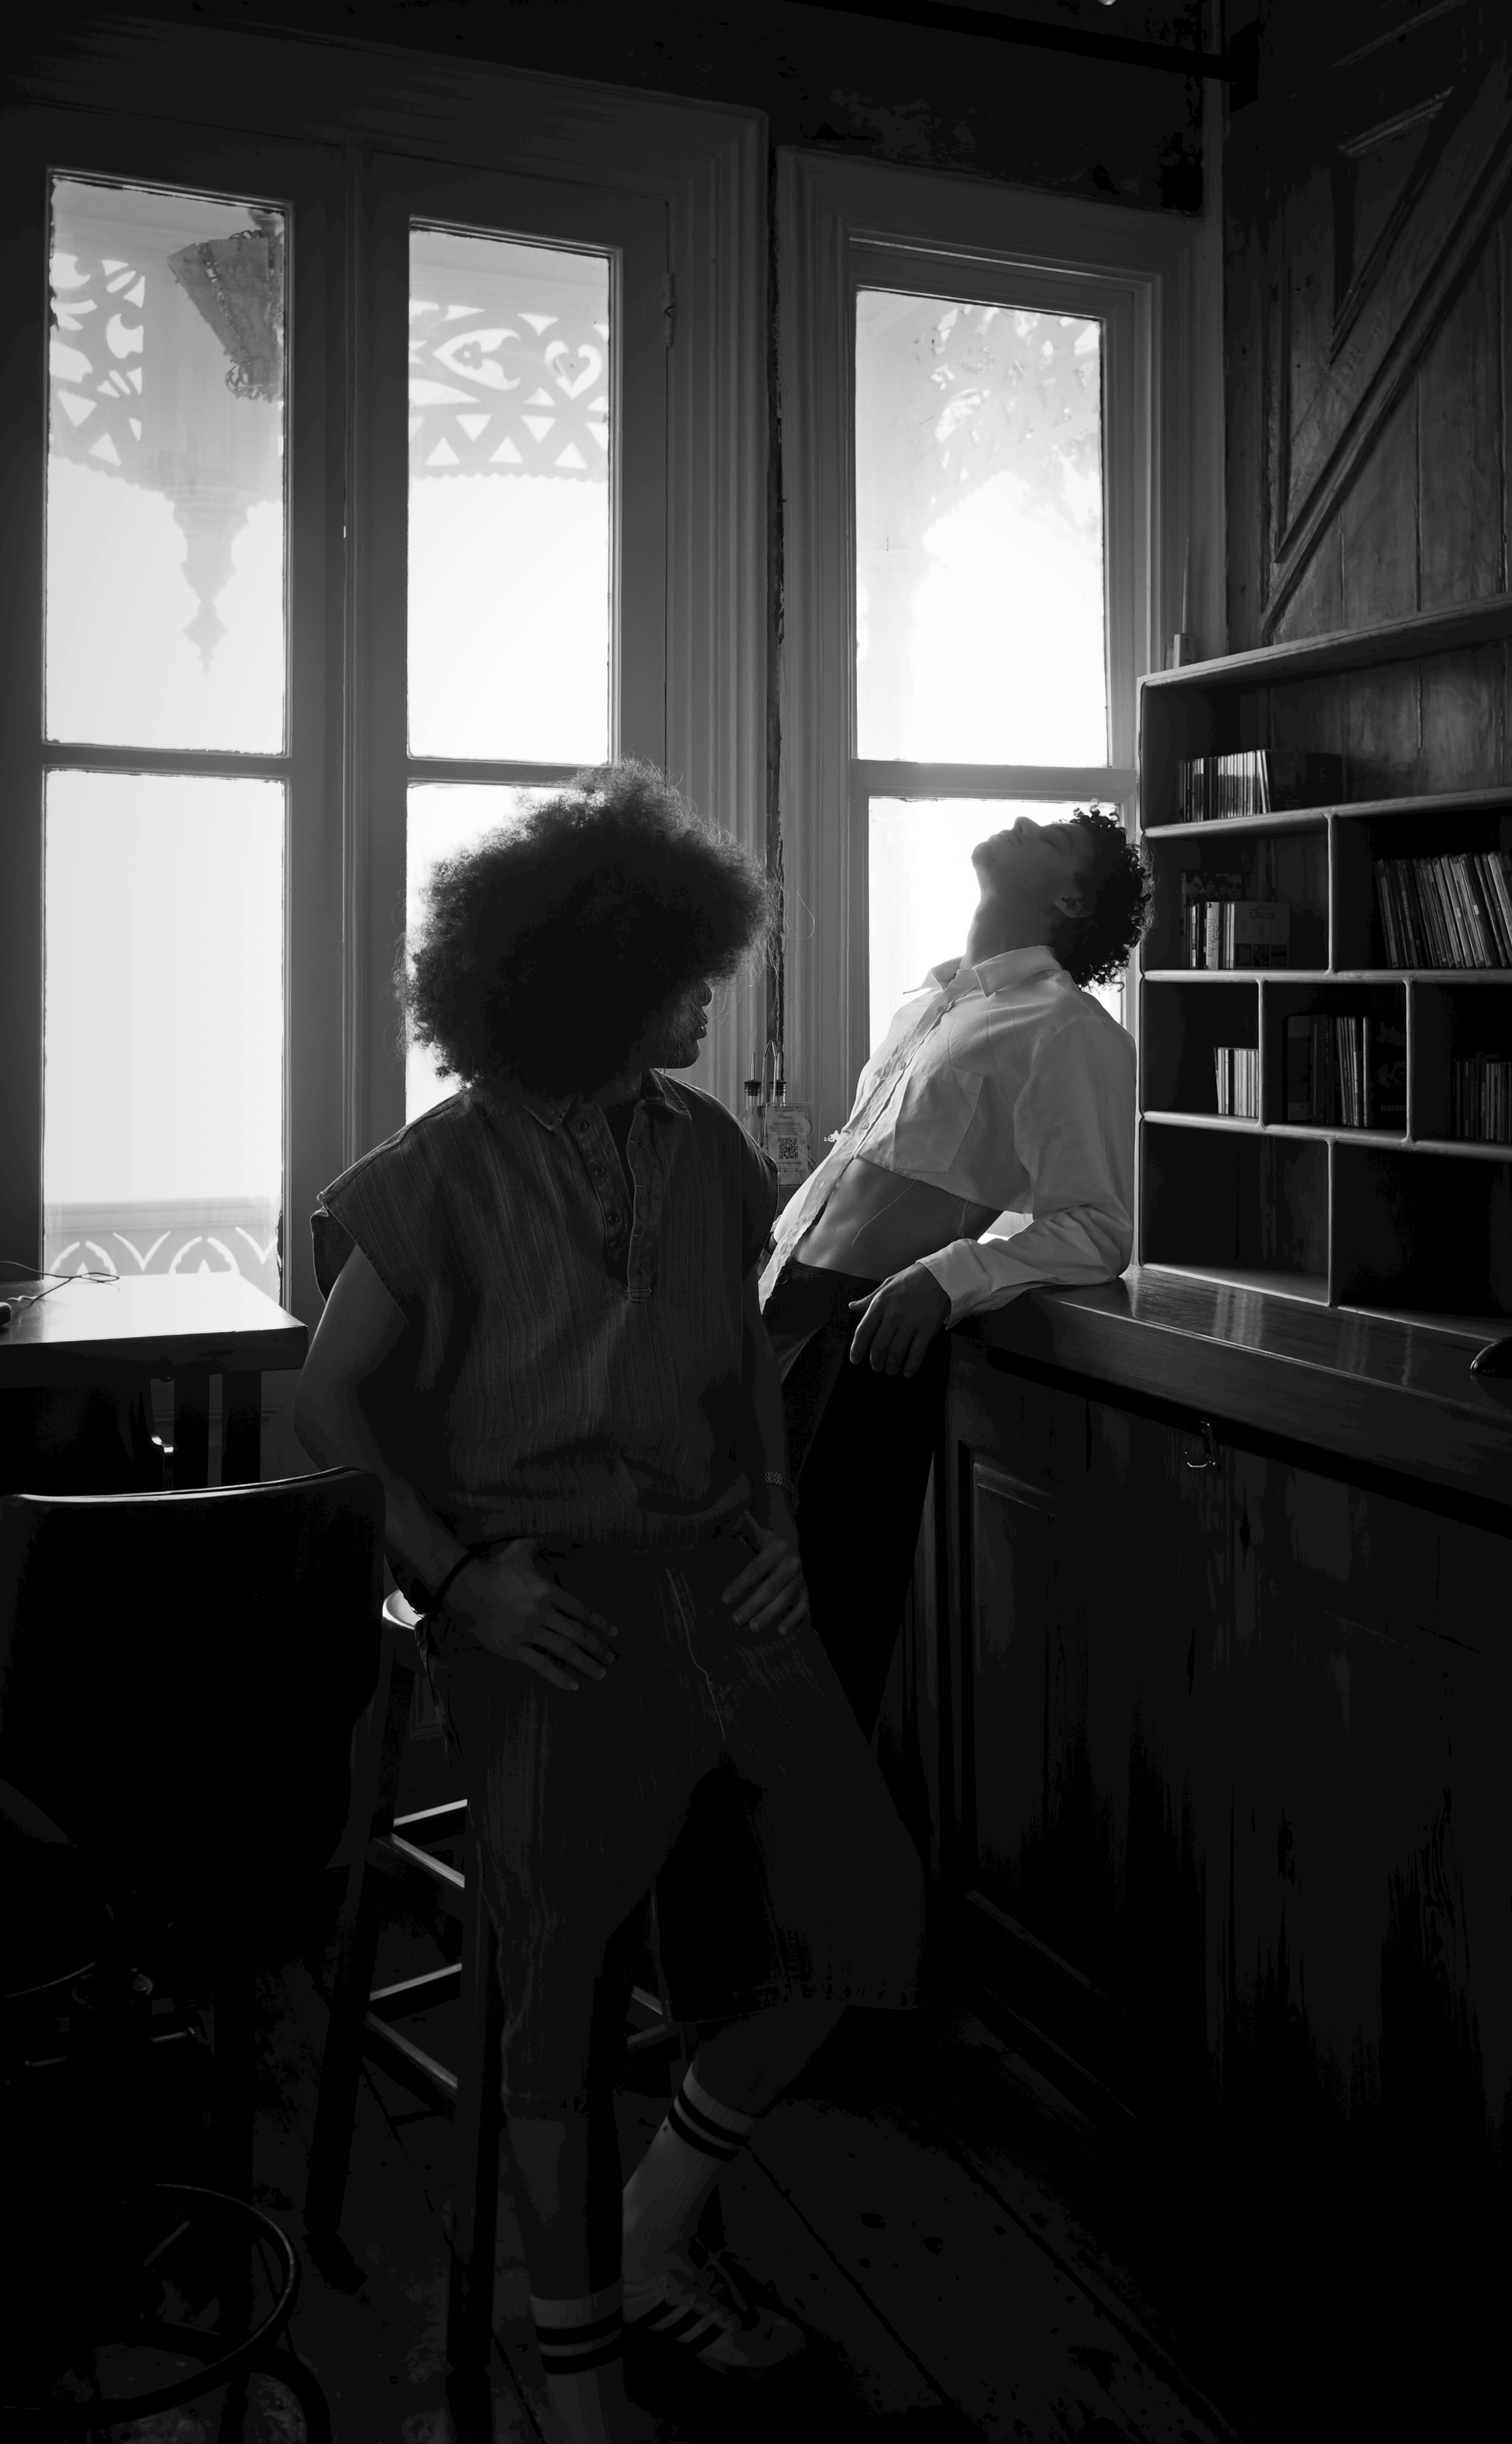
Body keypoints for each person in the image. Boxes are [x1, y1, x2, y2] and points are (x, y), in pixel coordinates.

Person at [293, 761, 924, 2444]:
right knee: (557, 2002)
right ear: (590, 976)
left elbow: (742, 1372)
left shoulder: (710, 1148)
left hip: (724, 1581)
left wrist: (777, 1521)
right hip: (547, 1606)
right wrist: (460, 1583)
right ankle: (578, 2389)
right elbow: (329, 1404)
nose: (711, 997)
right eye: (682, 971)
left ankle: (655, 2223)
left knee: (868, 1918)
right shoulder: (433, 1173)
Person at [759, 807, 1152, 1745]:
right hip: (766, 1317)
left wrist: (951, 1273)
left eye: (1050, 837)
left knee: (814, 1628)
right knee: (727, 1603)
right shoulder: (930, 1006)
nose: (1018, 818)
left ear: (1070, 900)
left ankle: (819, 1836)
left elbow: (1099, 1228)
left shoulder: (1068, 1030)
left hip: (859, 1347)